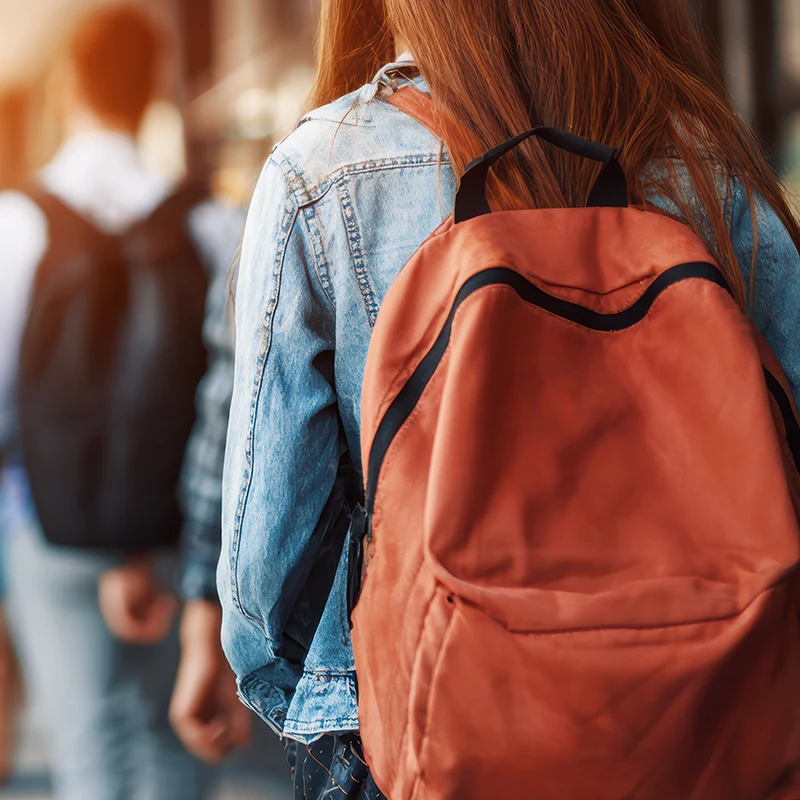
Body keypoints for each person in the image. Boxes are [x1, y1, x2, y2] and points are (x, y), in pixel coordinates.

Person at [220, 0, 800, 796]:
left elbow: (265, 563)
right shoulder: (709, 162)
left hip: (418, 737)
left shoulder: (323, 170)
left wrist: (329, 693)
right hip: (710, 721)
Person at [0, 6, 236, 798]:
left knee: (88, 746)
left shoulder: (16, 226)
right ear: (157, 88)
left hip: (51, 527)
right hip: (178, 534)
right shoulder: (209, 223)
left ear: (67, 88)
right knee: (177, 743)